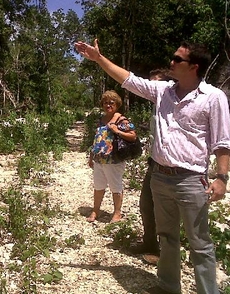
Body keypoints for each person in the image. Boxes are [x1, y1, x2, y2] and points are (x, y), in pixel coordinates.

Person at [75, 39, 230, 294]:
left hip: (191, 180)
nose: (171, 62)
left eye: (177, 59)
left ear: (194, 66)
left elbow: (223, 142)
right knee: (167, 238)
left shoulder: (213, 98)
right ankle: (168, 287)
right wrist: (99, 59)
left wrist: (221, 177)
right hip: (159, 176)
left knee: (200, 243)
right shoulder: (163, 91)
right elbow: (128, 79)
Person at [129, 69, 172, 265]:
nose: (152, 87)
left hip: (172, 168)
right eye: (150, 83)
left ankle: (165, 251)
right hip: (154, 163)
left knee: (165, 210)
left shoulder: (172, 108)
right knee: (146, 204)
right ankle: (149, 242)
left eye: (157, 83)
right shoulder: (155, 108)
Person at [87, 90, 137, 223]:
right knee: (98, 186)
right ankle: (95, 210)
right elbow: (97, 139)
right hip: (99, 159)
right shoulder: (101, 120)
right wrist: (91, 156)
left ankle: (117, 213)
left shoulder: (122, 119)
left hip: (114, 160)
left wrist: (117, 131)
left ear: (117, 104)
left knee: (115, 186)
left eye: (111, 102)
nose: (108, 105)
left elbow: (133, 135)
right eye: (105, 103)